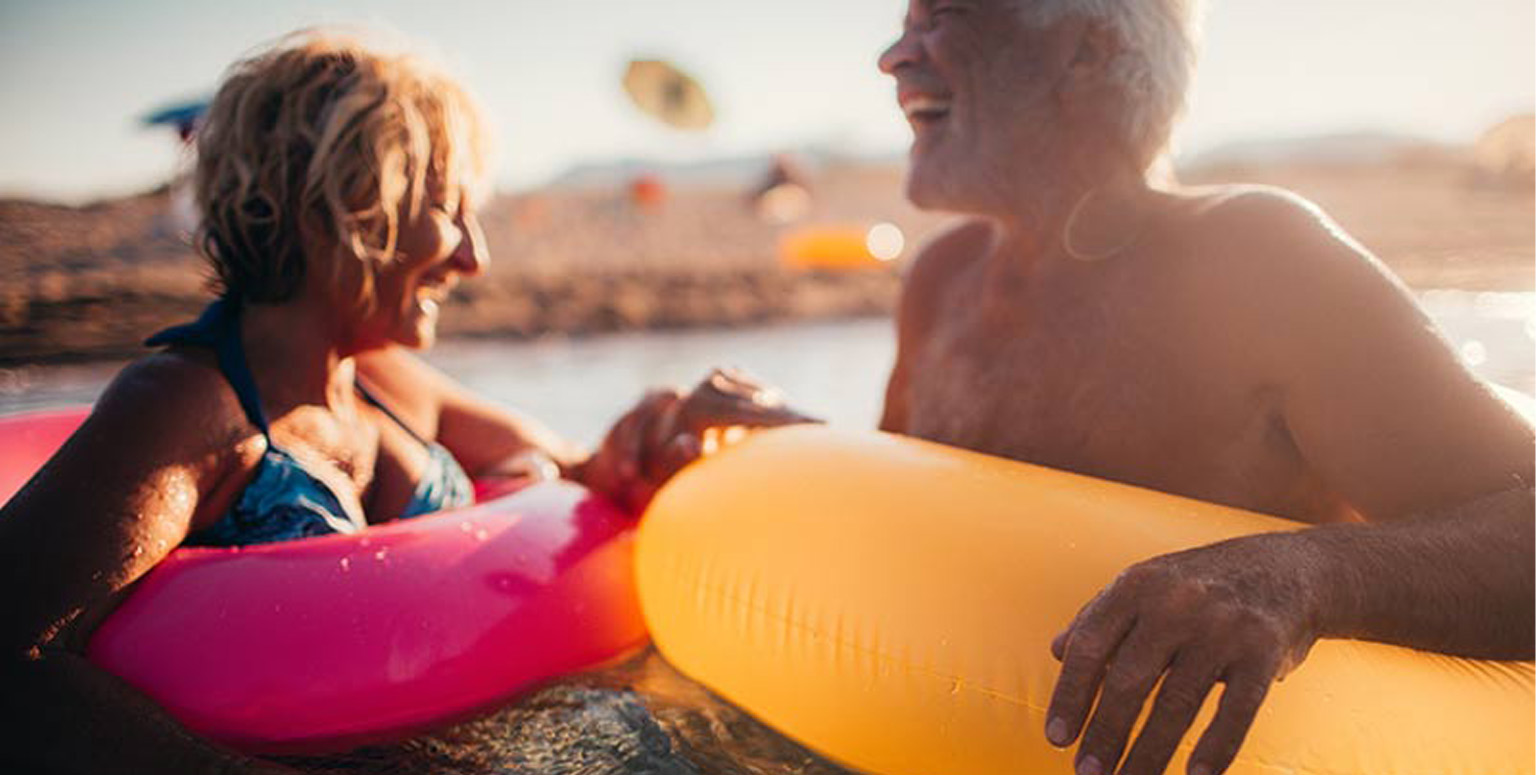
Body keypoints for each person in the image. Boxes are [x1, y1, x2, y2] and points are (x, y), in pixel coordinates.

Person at [0, 30, 807, 775]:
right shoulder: (184, 406)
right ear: (340, 207)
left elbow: (581, 471)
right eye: (447, 208)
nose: (473, 256)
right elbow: (15, 653)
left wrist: (664, 425)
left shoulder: (385, 382)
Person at [875, 2, 1534, 775]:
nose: (893, 56)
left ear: (1084, 53)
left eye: (941, 18)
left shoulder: (1254, 261)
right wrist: (769, 438)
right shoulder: (941, 279)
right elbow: (896, 513)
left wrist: (1307, 574)